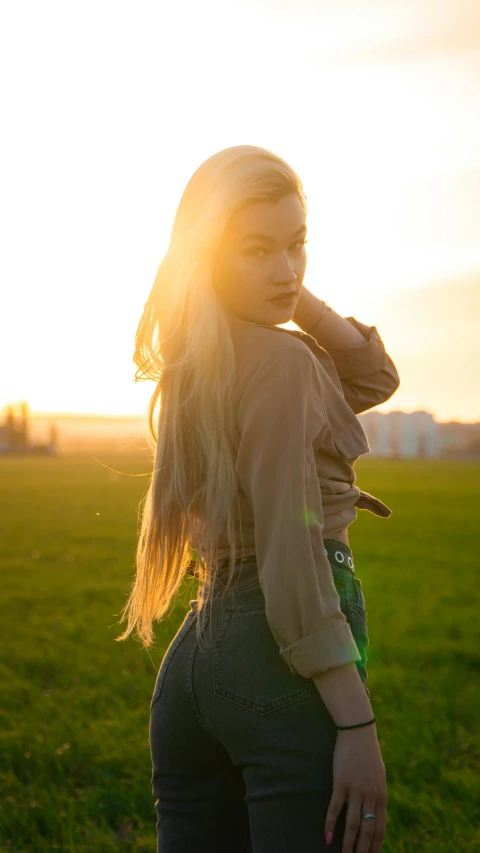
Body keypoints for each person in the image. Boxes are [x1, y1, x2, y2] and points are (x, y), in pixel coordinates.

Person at [116, 145, 400, 852]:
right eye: (256, 250)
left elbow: (371, 376)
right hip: (273, 665)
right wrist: (357, 725)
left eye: (297, 245)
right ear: (209, 255)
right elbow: (292, 553)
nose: (286, 268)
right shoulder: (281, 363)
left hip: (193, 664)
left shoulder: (204, 362)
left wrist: (281, 286)